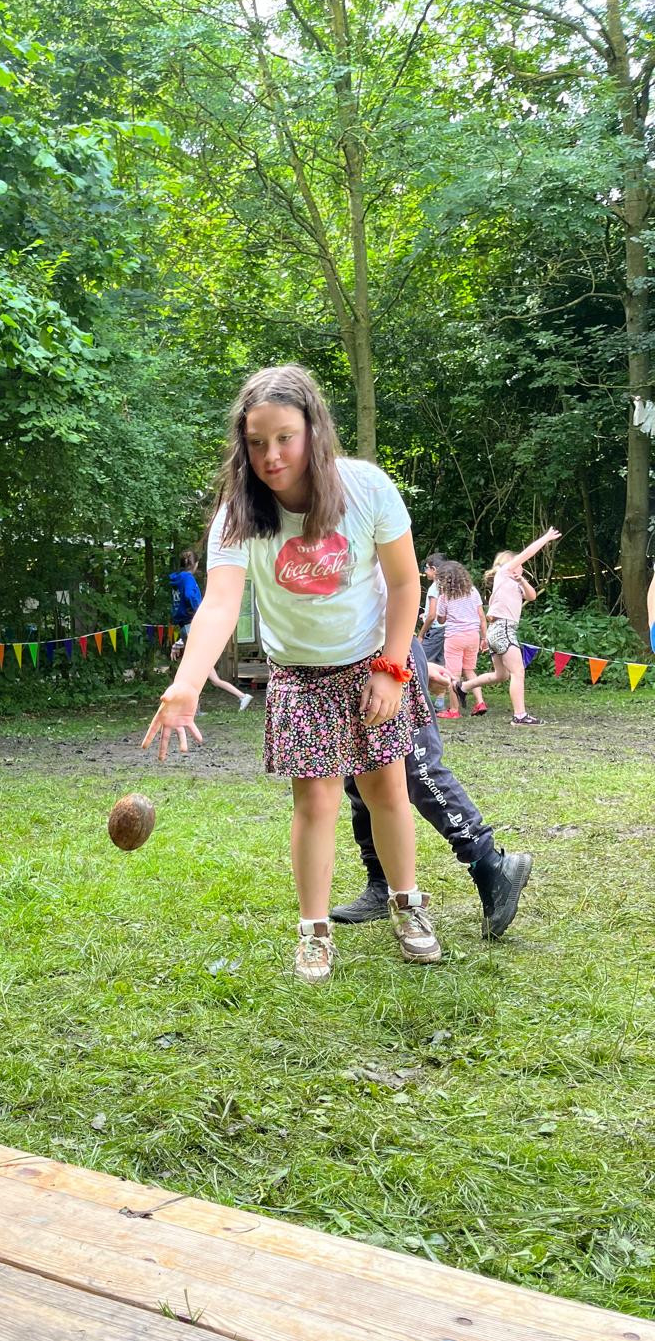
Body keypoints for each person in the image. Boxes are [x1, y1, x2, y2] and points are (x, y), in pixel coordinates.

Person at [142, 363, 441, 983]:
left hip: (370, 663)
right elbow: (221, 603)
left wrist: (392, 669)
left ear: (314, 432)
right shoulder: (238, 514)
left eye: (285, 438)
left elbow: (404, 582)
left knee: (387, 789)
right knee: (316, 800)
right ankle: (314, 933)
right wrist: (187, 683)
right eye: (256, 442)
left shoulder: (366, 489)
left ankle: (407, 905)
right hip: (299, 674)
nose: (271, 456)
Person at [332, 631, 533, 938]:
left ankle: (489, 863)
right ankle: (382, 883)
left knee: (418, 768)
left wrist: (404, 661)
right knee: (362, 779)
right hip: (350, 660)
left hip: (387, 658)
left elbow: (398, 603)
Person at [459, 528, 561, 724]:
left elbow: (532, 596)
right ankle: (520, 715)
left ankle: (463, 687)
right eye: (520, 564)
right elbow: (527, 553)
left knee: (501, 675)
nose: (522, 566)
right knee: (518, 671)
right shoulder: (504, 573)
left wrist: (522, 580)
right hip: (504, 629)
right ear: (511, 564)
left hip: (497, 630)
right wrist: (545, 539)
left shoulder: (513, 584)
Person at [168, 550, 253, 711]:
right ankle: (240, 697)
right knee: (204, 675)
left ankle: (239, 697)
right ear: (195, 564)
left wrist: (179, 642)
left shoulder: (177, 580)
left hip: (187, 626)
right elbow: (190, 596)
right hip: (191, 624)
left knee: (200, 674)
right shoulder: (188, 578)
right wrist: (200, 612)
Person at [433, 559, 487, 718]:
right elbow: (481, 616)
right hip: (473, 636)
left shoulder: (445, 597)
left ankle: (454, 710)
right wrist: (484, 638)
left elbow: (441, 620)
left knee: (453, 675)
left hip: (454, 637)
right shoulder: (473, 591)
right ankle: (480, 702)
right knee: (469, 670)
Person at [417, 553, 448, 711]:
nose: (425, 572)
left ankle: (421, 700)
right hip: (447, 630)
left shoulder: (434, 587)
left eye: (426, 568)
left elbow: (432, 615)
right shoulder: (447, 586)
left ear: (434, 569)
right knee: (441, 664)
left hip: (435, 630)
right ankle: (440, 701)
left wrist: (421, 634)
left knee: (421, 663)